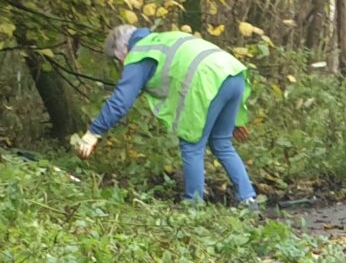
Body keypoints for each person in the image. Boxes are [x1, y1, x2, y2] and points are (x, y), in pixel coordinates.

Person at [76, 25, 257, 208]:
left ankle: (193, 205)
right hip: (234, 73)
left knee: (191, 144)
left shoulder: (139, 53)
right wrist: (233, 120)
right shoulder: (163, 40)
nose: (121, 63)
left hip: (206, 80)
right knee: (221, 143)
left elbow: (120, 101)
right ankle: (248, 199)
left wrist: (93, 132)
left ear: (123, 49)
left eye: (118, 58)